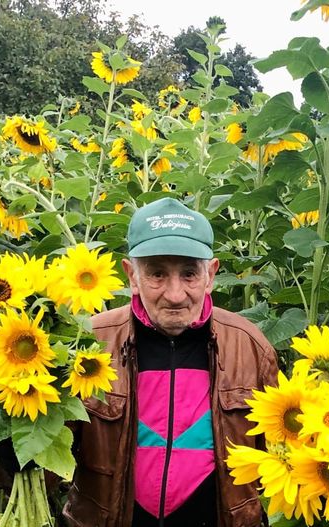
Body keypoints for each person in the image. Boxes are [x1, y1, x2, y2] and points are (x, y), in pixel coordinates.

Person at [62, 197, 279, 527]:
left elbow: (280, 459)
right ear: (131, 275)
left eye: (189, 273)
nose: (175, 294)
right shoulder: (90, 343)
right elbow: (50, 459)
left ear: (211, 275)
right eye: (157, 274)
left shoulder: (249, 347)